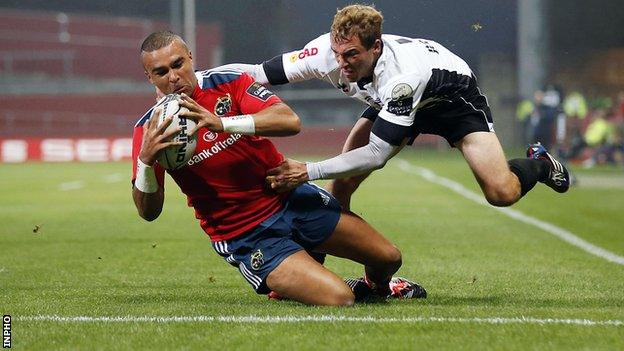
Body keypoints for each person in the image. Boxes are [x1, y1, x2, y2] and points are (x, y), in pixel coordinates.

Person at [131, 30, 425, 306]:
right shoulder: (149, 130)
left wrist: (222, 123)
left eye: (178, 64)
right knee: (339, 298)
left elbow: (289, 121)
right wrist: (146, 162)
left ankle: (377, 287)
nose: (173, 77)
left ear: (191, 58)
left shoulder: (227, 82)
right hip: (246, 232)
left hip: (291, 198)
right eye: (161, 72)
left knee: (388, 258)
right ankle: (290, 281)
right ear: (149, 77)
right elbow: (148, 212)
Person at [222, 4, 570, 209]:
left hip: (450, 99)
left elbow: (377, 154)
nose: (341, 63)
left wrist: (308, 170)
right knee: (341, 186)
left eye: (352, 55)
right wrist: (198, 79)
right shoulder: (324, 53)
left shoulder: (401, 77)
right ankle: (322, 264)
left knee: (501, 193)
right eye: (338, 52)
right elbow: (255, 74)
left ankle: (538, 163)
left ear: (376, 47)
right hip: (392, 102)